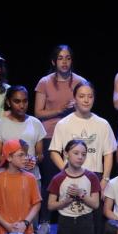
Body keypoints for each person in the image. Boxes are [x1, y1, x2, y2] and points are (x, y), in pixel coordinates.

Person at [35, 44, 86, 209]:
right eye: (60, 58)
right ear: (53, 61)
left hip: (74, 136)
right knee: (51, 179)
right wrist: (60, 110)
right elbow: (38, 112)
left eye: (68, 58)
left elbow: (86, 106)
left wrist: (77, 106)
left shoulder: (80, 82)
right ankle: (46, 219)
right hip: (50, 135)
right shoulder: (45, 82)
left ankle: (73, 214)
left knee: (74, 177)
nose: (64, 62)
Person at [47, 139, 102, 234]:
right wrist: (65, 201)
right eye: (76, 153)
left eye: (83, 154)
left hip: (86, 221)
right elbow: (50, 205)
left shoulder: (91, 177)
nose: (80, 157)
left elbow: (96, 204)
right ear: (66, 154)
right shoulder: (59, 178)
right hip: (66, 222)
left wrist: (81, 194)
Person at [49, 80, 117, 180]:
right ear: (74, 99)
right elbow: (54, 152)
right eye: (81, 96)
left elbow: (108, 153)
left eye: (90, 96)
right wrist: (66, 172)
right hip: (70, 174)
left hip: (95, 175)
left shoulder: (103, 124)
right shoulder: (63, 124)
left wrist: (105, 179)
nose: (86, 100)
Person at [0, 85, 46, 184]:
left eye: (25, 101)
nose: (22, 105)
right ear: (8, 102)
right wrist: (15, 162)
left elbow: (40, 155)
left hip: (32, 178)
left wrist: (34, 160)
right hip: (8, 179)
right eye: (17, 101)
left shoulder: (35, 123)